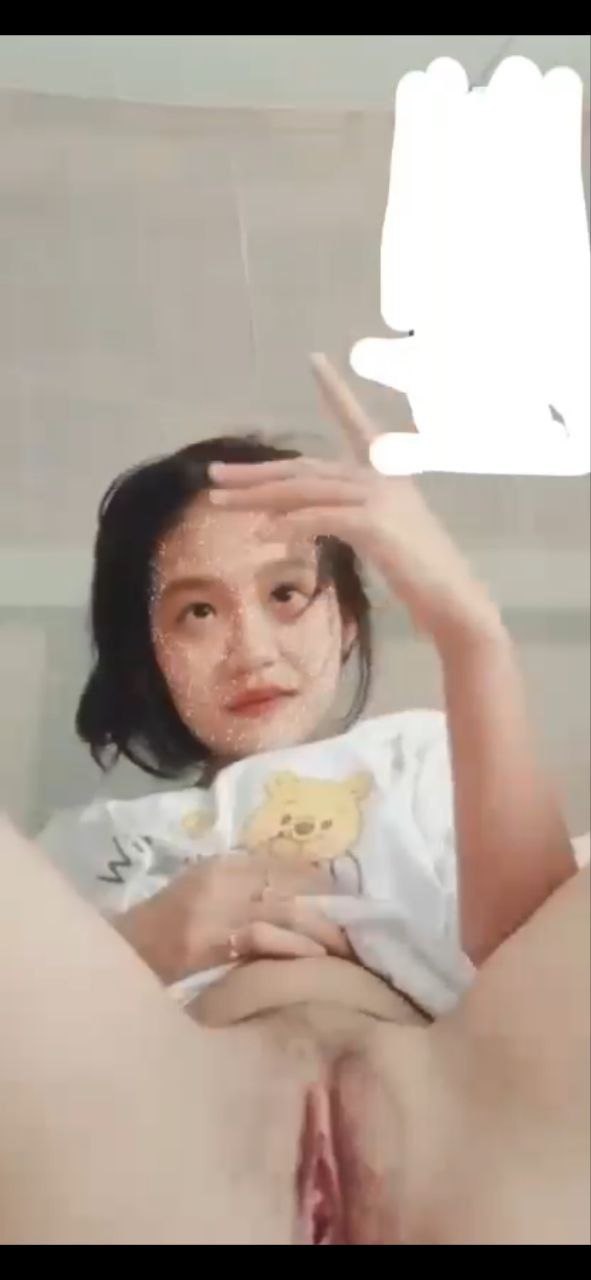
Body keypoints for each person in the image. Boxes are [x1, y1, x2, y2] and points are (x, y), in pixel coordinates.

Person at [38, 355, 576, 1016]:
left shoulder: (421, 760)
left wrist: (472, 637)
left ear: (346, 622)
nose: (253, 653)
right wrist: (144, 946)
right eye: (198, 612)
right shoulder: (93, 842)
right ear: (147, 656)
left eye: (287, 593)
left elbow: (549, 982)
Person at [0, 812, 588, 1244]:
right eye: (193, 636)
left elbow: (518, 926)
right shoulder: (109, 827)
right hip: (161, 1129)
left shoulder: (418, 757)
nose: (251, 673)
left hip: (476, 1114)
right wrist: (146, 940)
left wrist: (474, 667)